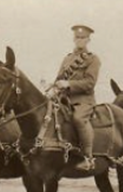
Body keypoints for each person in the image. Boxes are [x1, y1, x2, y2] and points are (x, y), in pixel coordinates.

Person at [47, 24, 101, 171]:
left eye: (83, 38)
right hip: (64, 100)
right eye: (77, 37)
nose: (79, 40)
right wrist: (54, 86)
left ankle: (88, 158)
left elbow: (90, 83)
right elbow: (59, 78)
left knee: (78, 119)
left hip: (83, 101)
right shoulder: (67, 59)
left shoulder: (93, 59)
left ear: (88, 40)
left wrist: (68, 83)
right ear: (73, 39)